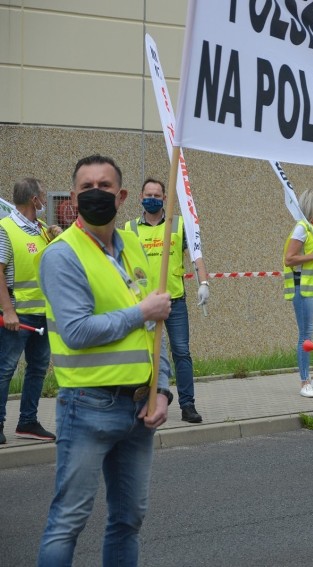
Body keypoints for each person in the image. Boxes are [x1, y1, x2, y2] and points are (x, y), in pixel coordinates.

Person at [37, 154, 174, 565]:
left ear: (123, 196)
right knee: (68, 521)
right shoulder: (62, 255)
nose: (96, 193)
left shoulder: (132, 245)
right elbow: (77, 332)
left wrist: (163, 389)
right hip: (88, 406)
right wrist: (141, 312)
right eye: (86, 188)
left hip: (140, 407)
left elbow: (157, 327)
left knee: (129, 519)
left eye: (105, 187)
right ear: (73, 199)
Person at [125, 178, 209, 423]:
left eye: (157, 194)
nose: (152, 198)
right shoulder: (129, 228)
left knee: (181, 352)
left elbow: (196, 253)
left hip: (175, 301)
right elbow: (123, 264)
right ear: (141, 197)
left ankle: (187, 405)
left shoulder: (178, 225)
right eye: (148, 194)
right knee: (147, 355)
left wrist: (204, 283)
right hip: (145, 305)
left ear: (165, 198)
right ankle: (149, 400)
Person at [0, 178, 62, 444]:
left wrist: (58, 237)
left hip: (43, 312)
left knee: (37, 368)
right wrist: (8, 311)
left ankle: (28, 422)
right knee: (5, 369)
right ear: (33, 199)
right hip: (18, 314)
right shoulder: (5, 229)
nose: (43, 201)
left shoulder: (41, 229)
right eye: (42, 197)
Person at [283, 187, 313, 398]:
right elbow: (289, 258)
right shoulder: (302, 228)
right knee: (306, 334)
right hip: (303, 287)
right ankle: (304, 381)